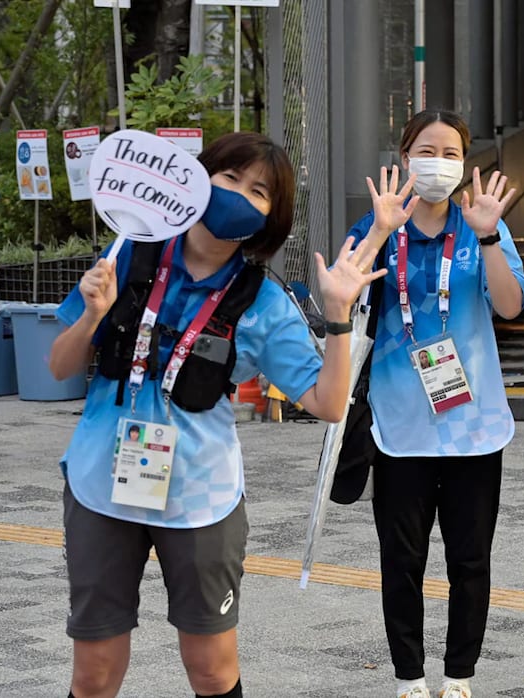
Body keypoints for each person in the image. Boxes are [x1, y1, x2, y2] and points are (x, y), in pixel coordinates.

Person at [47, 131, 387, 698]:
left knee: (211, 669)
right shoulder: (129, 253)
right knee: (94, 672)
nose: (238, 194)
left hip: (201, 498)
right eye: (228, 177)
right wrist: (91, 316)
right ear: (194, 180)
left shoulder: (264, 303)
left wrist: (337, 316)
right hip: (99, 487)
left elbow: (329, 405)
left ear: (269, 219)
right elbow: (59, 366)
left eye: (259, 192)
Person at [347, 110, 524, 698]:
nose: (440, 163)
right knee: (401, 560)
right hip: (399, 426)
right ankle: (409, 677)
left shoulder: (482, 225)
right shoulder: (377, 225)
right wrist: (378, 231)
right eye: (428, 150)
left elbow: (509, 306)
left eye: (451, 153)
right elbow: (341, 299)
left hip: (474, 428)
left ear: (464, 164)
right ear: (405, 157)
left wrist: (488, 235)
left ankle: (458, 676)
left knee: (470, 560)